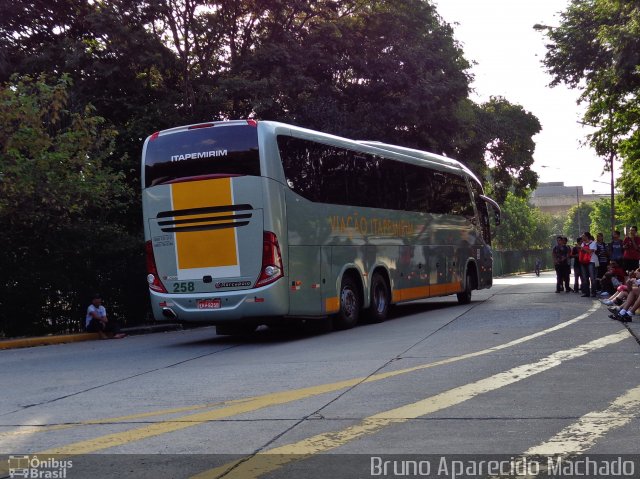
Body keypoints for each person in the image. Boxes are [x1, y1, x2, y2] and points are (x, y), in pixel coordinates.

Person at [579, 232, 598, 298]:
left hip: (591, 262)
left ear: (587, 237)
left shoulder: (593, 243)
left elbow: (590, 251)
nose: (582, 237)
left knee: (592, 278)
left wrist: (582, 248)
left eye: (583, 236)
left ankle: (593, 293)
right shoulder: (582, 243)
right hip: (583, 262)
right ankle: (586, 293)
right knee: (585, 278)